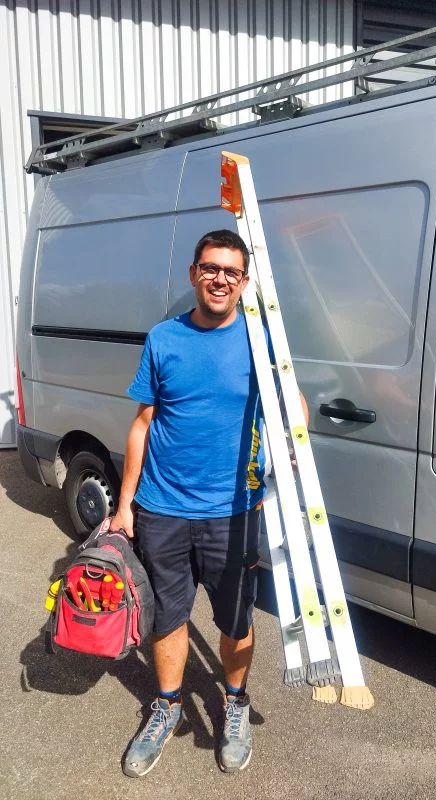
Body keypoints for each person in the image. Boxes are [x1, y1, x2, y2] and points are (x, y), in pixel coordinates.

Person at [110, 229, 307, 778]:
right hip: (163, 510)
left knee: (235, 620)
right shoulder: (164, 338)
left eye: (231, 271)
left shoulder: (260, 341)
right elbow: (142, 424)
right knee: (168, 616)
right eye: (211, 268)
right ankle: (167, 707)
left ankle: (235, 704)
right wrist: (125, 506)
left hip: (234, 512)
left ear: (244, 282)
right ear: (194, 274)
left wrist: (293, 445)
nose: (220, 279)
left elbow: (293, 402)